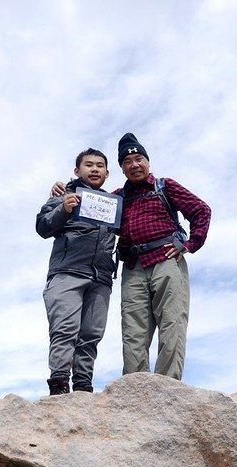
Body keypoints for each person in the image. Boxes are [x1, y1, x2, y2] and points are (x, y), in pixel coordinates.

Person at [50, 133, 211, 380]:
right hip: (133, 266)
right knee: (133, 331)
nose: (134, 164)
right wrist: (62, 189)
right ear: (121, 169)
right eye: (127, 161)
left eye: (139, 159)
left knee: (172, 324)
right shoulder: (115, 199)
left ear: (148, 162)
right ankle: (137, 388)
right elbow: (83, 201)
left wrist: (190, 244)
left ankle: (168, 387)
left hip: (166, 259)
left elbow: (201, 210)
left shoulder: (165, 186)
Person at [36, 148, 117, 395]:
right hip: (67, 273)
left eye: (100, 165)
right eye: (89, 165)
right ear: (77, 170)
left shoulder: (114, 203)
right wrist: (64, 208)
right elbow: (42, 227)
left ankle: (83, 387)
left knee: (91, 335)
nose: (95, 169)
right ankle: (59, 386)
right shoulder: (62, 196)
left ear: (107, 172)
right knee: (64, 331)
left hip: (101, 278)